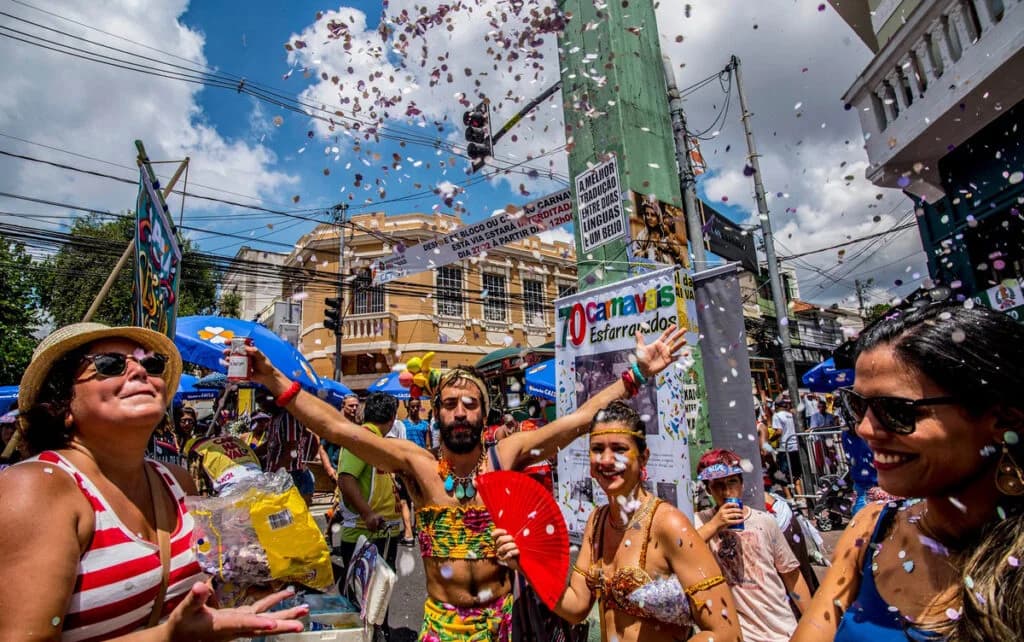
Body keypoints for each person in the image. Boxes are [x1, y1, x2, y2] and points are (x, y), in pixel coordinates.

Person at [243, 325, 687, 642]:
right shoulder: (415, 464)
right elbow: (340, 430)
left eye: (470, 404)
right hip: (440, 628)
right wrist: (273, 378)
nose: (459, 412)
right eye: (450, 404)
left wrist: (636, 375)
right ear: (436, 415)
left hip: (503, 626)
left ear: (483, 414)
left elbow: (575, 421)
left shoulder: (505, 455)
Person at [0, 322, 305, 640]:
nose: (139, 371)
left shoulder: (175, 481)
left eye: (151, 363)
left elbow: (190, 606)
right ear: (62, 404)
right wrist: (169, 636)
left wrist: (243, 591)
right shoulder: (37, 489)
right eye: (110, 364)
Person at [793, 301, 1024, 641]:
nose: (865, 429)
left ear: (1004, 419)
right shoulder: (870, 529)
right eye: (855, 406)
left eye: (896, 410)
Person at [495, 402, 740, 642]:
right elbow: (577, 607)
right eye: (597, 449)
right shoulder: (597, 522)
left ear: (643, 457)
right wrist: (528, 565)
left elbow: (725, 632)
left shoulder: (669, 524)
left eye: (620, 449)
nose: (606, 460)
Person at [695, 448, 811, 642]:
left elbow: (792, 576)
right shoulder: (701, 522)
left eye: (732, 481)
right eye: (718, 485)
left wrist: (811, 623)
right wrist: (715, 525)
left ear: (741, 484)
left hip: (780, 631)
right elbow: (681, 552)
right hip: (739, 633)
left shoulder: (764, 522)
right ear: (708, 489)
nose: (726, 491)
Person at [336, 392, 402, 640]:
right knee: (364, 601)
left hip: (384, 533)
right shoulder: (361, 440)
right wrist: (368, 513)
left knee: (379, 597)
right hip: (364, 534)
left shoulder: (377, 441)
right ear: (393, 417)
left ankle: (378, 633)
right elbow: (345, 479)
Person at [773, 398, 804, 496]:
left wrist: (770, 440)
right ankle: (800, 496)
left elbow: (779, 432)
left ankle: (789, 496)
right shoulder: (791, 415)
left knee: (782, 473)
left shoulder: (777, 416)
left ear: (776, 407)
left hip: (785, 448)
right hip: (795, 447)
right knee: (796, 473)